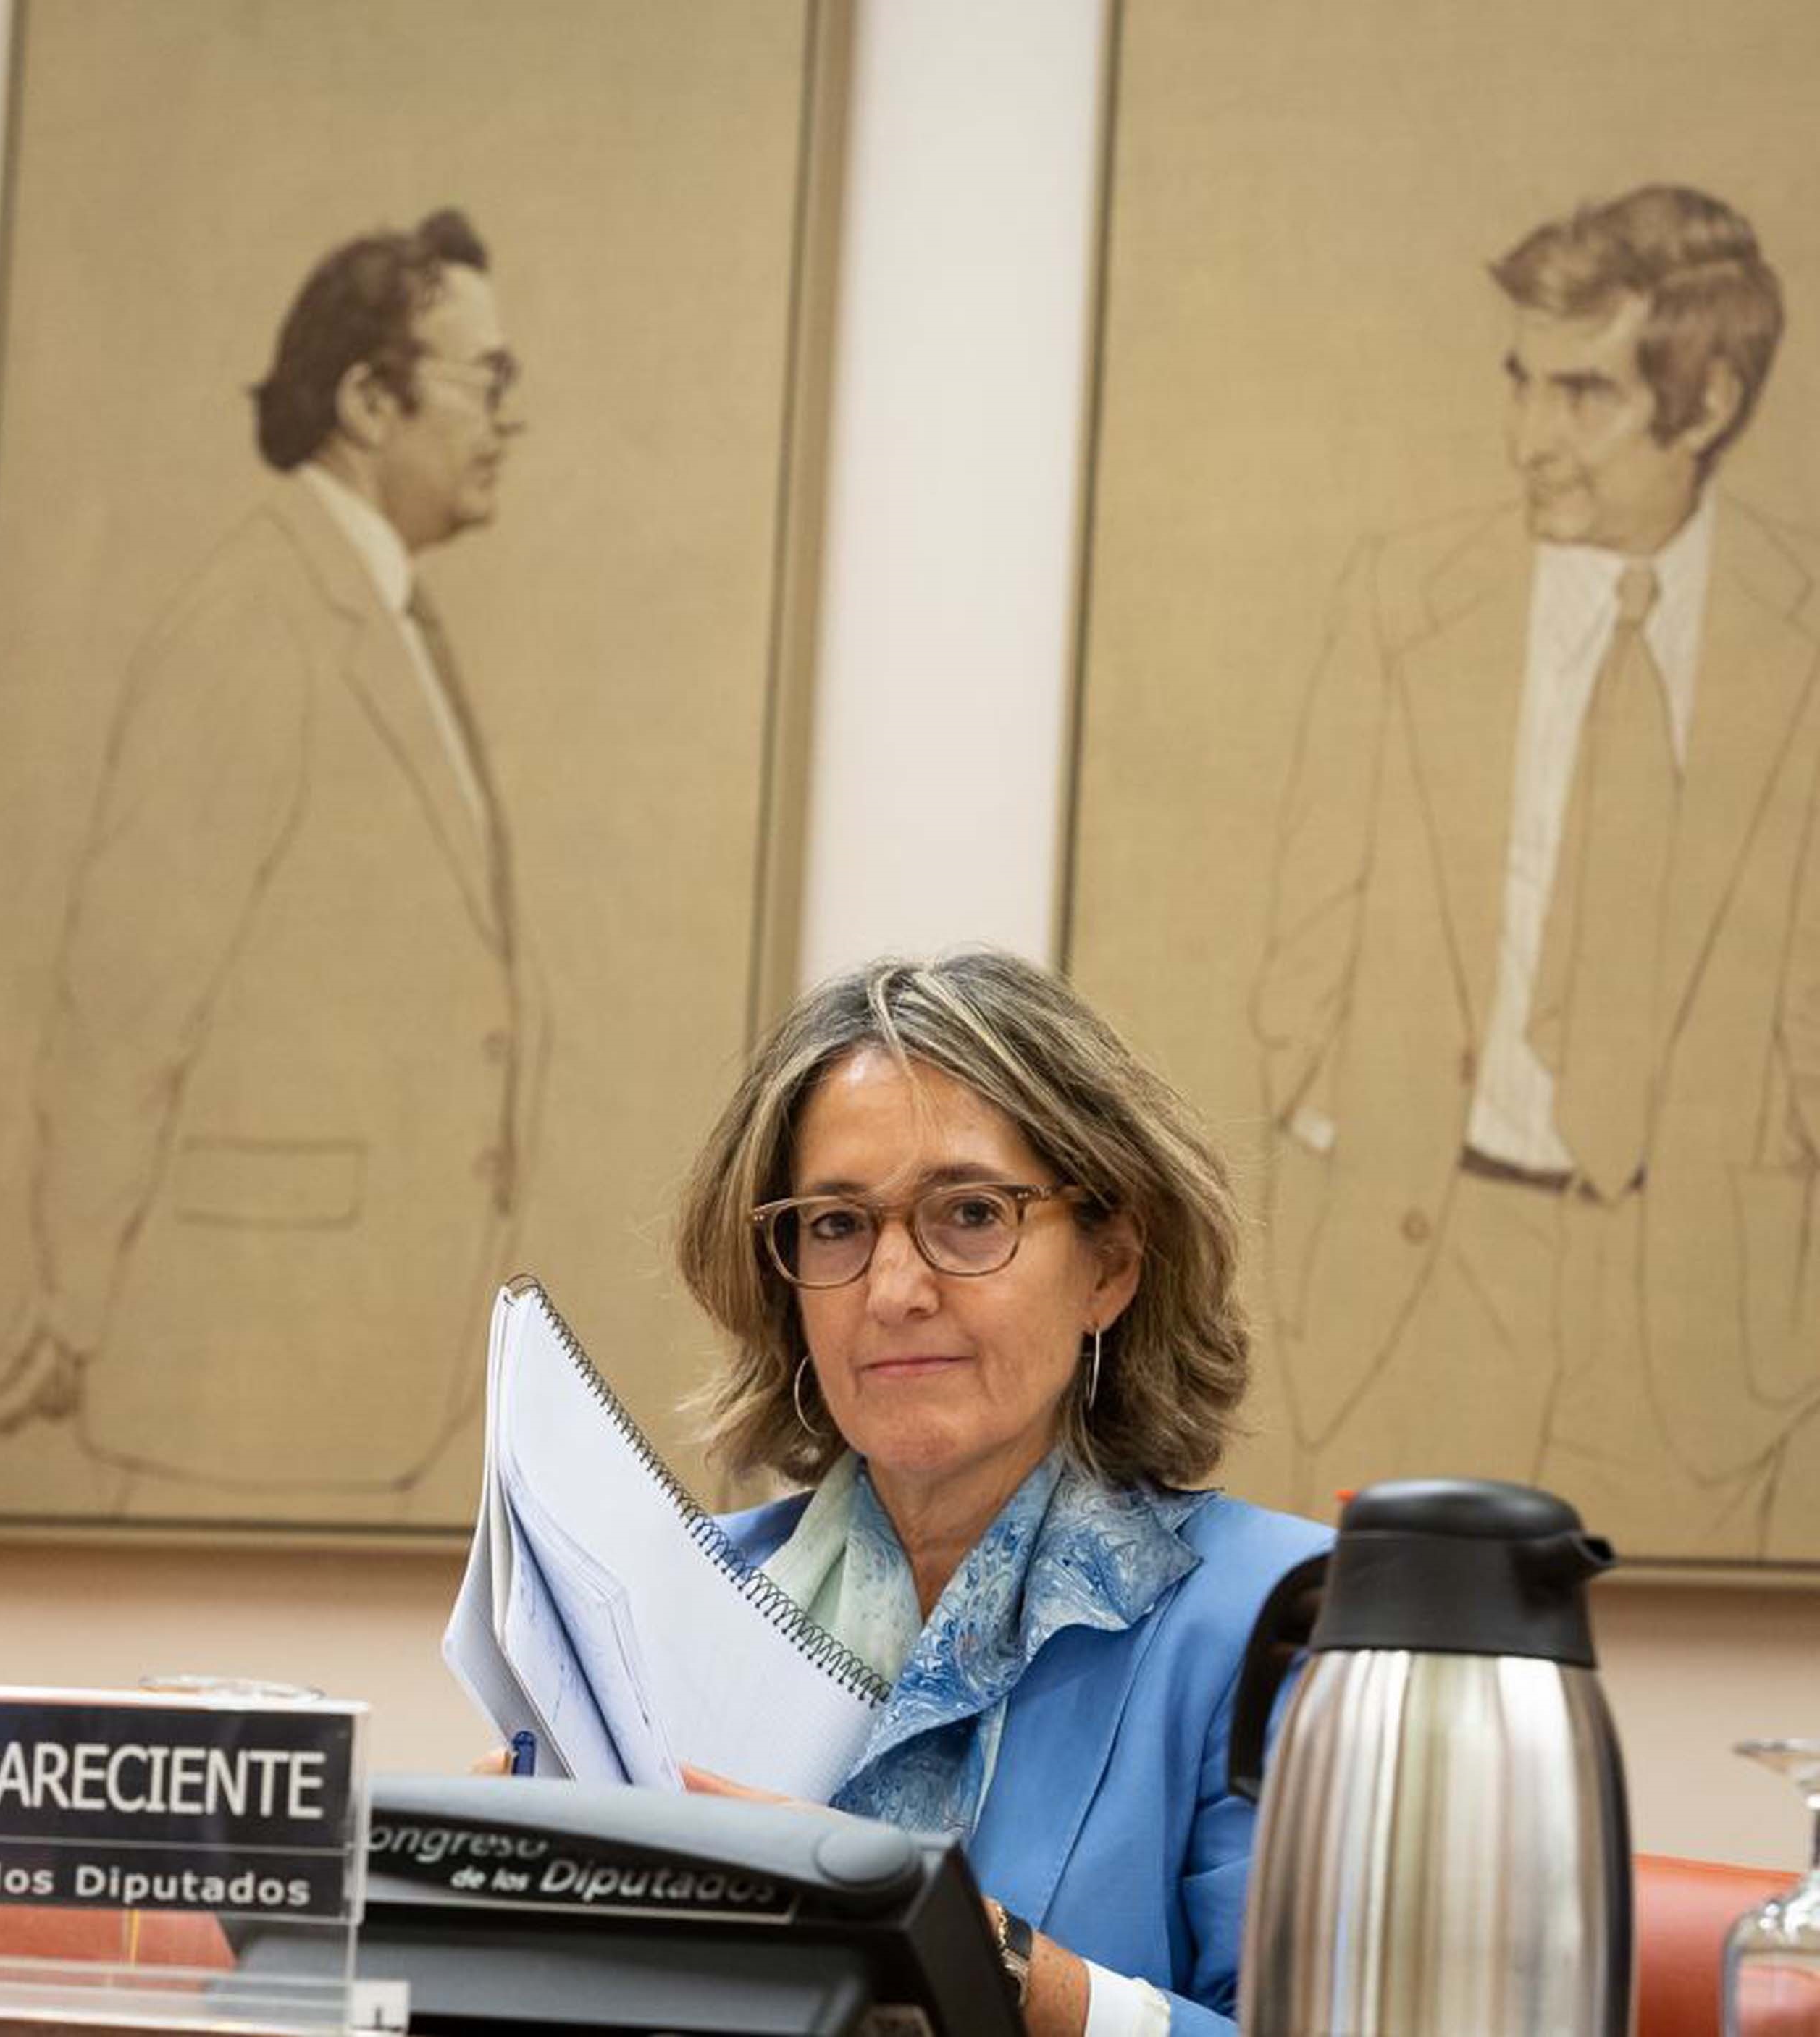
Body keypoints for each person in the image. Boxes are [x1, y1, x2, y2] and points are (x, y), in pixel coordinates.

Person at [0, 208, 542, 1521]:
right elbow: (124, 996)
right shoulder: (255, 622)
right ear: (370, 401)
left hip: (358, 1366)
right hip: (238, 1376)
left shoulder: (370, 608)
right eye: (485, 383)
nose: (510, 420)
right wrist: (76, 1295)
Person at [1253, 183, 1820, 1555]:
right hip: (1418, 1274)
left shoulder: (1802, 631)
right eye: (1521, 383)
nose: (1525, 440)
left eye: (1581, 396)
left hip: (1703, 1316)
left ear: (1703, 405)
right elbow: (1301, 961)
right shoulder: (1405, 601)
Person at [676, 950, 1328, 2036]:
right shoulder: (678, 1591)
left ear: (1109, 1265)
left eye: (969, 1213)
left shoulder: (1283, 1618)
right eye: (836, 1225)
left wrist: (988, 1962)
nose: (892, 1290)